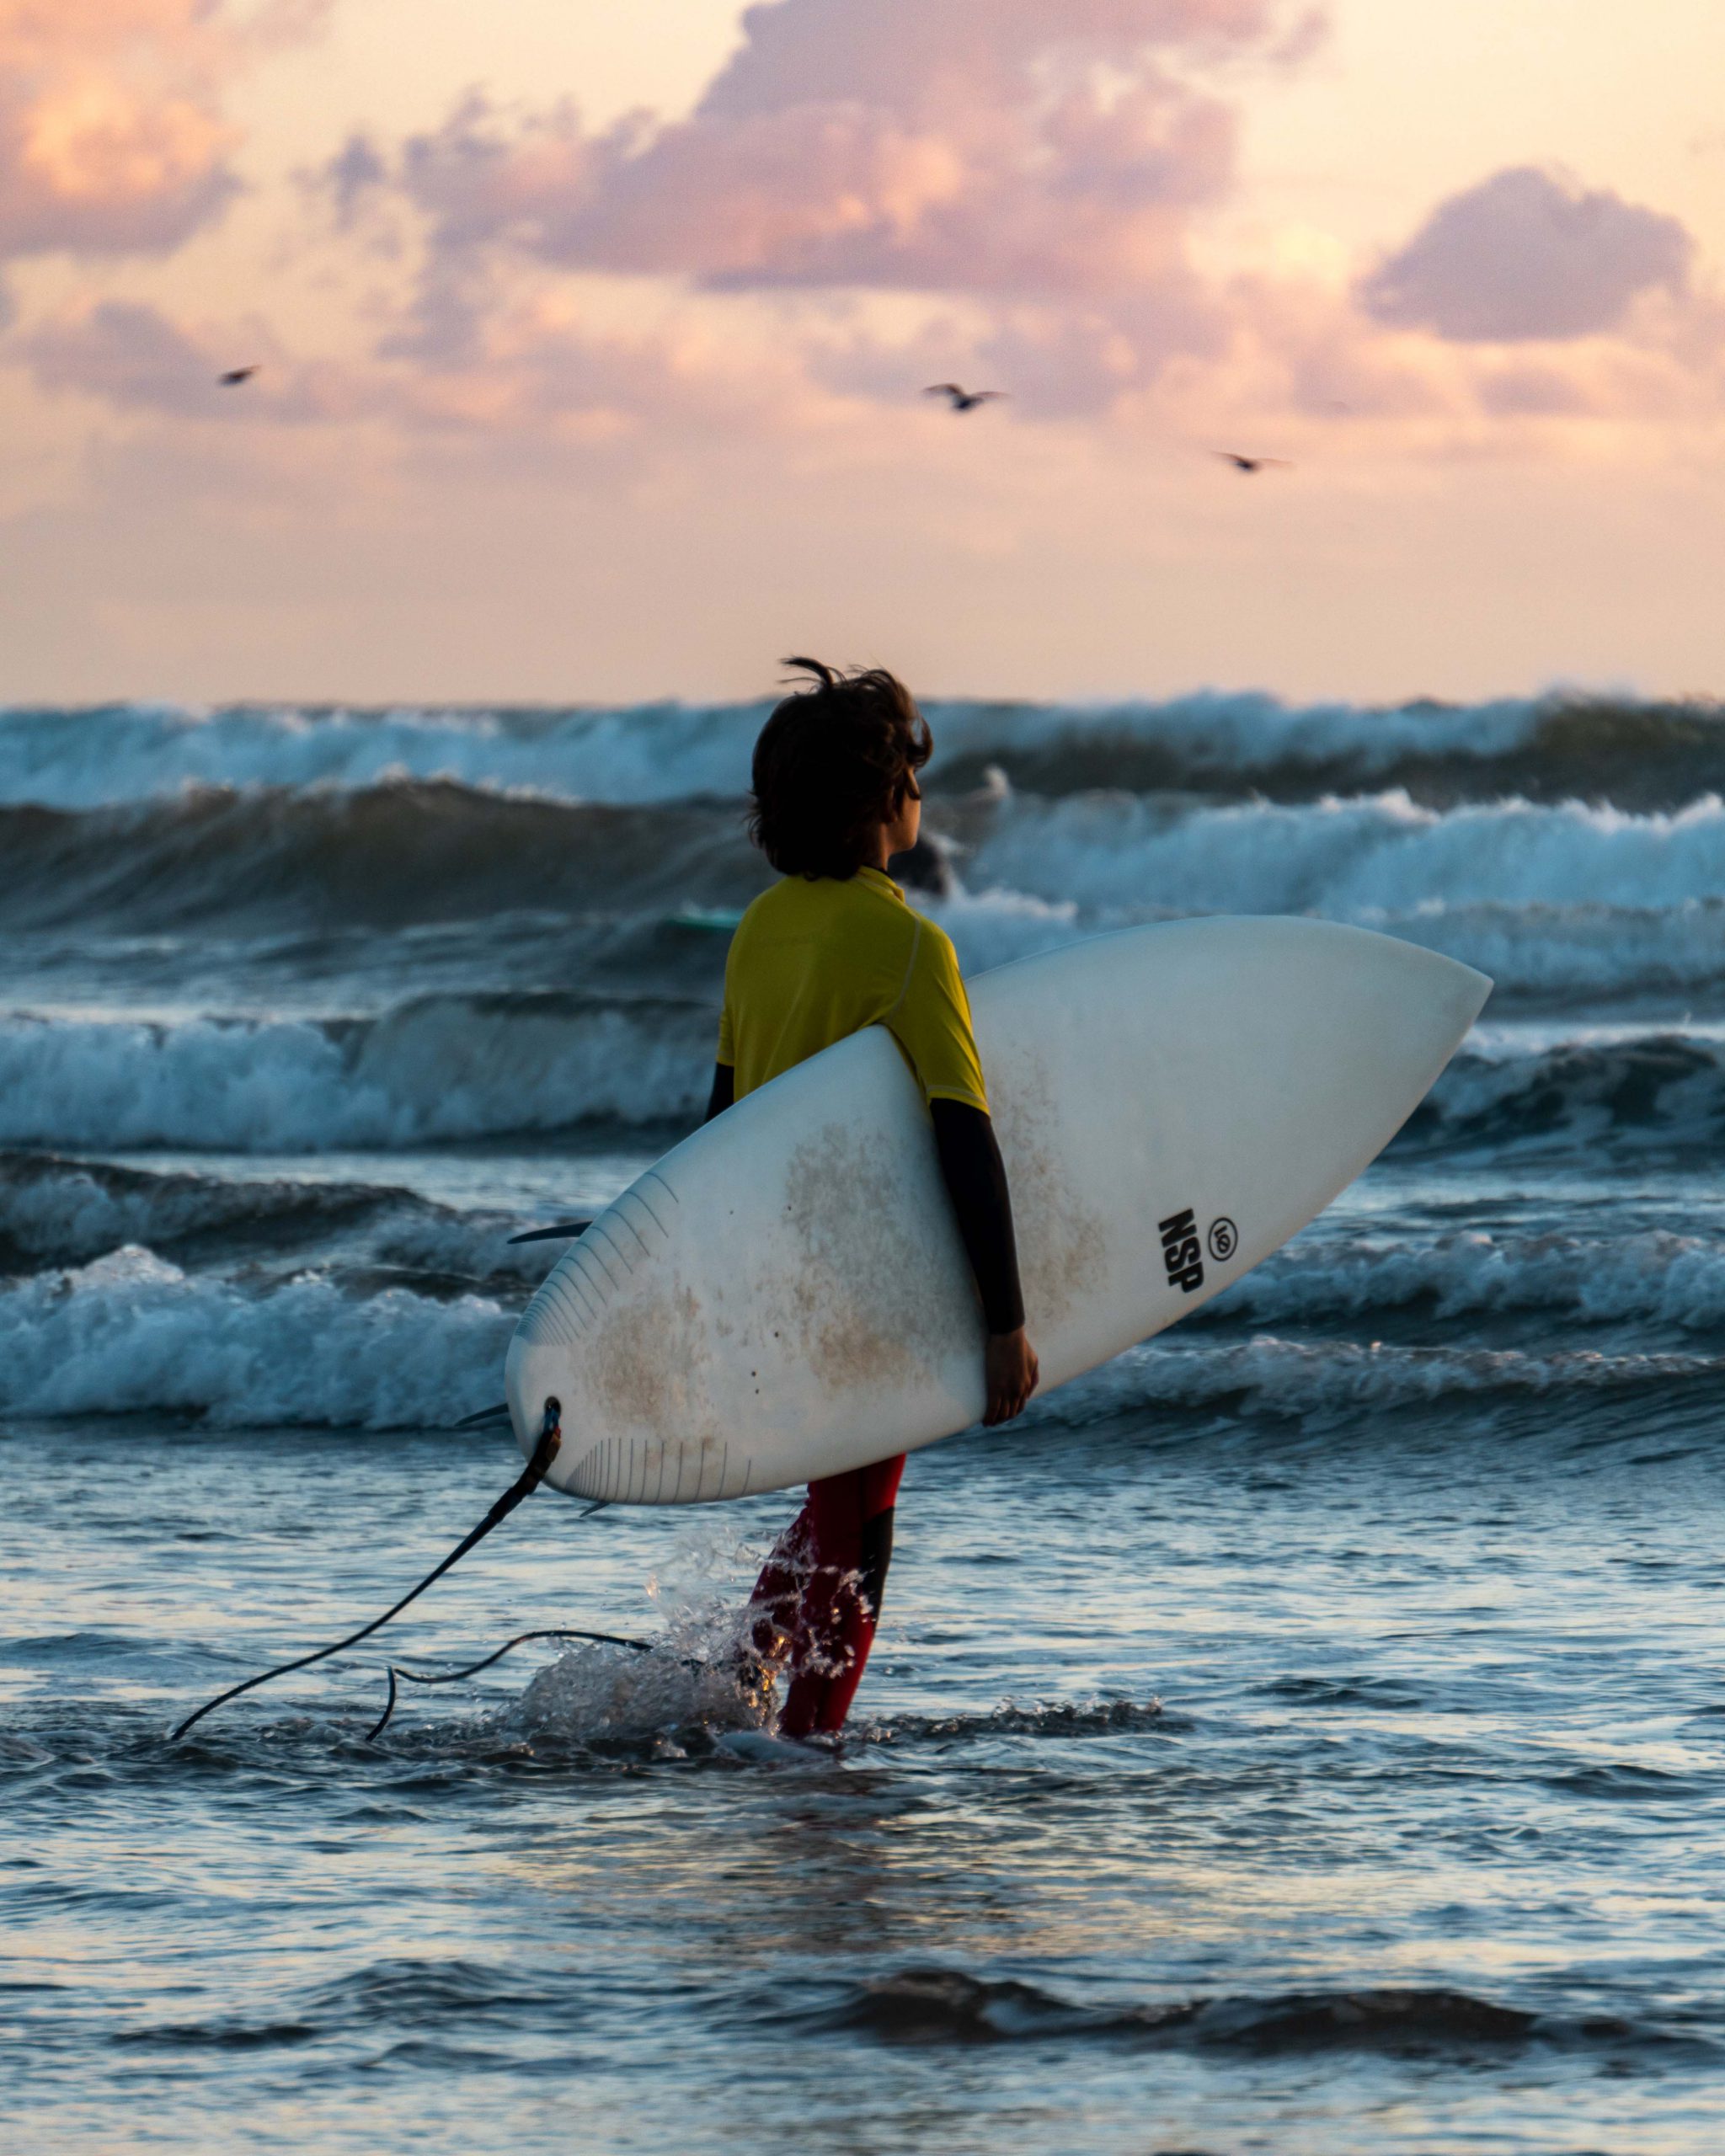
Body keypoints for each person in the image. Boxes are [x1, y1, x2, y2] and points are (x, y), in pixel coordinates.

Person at [705, 657, 1039, 1739]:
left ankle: (734, 1703)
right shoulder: (908, 948)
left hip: (771, 1280)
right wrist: (1004, 1319)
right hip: (864, 1292)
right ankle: (812, 1752)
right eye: (910, 775)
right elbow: (964, 1136)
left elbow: (718, 1123)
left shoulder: (760, 928)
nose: (920, 797)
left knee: (829, 1512)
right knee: (860, 1531)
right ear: (880, 800)